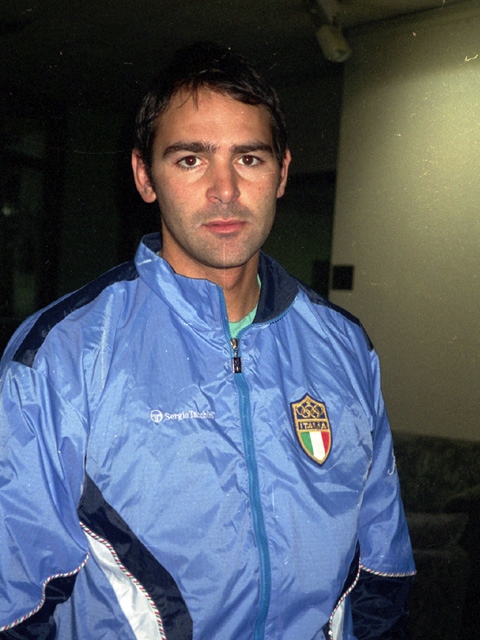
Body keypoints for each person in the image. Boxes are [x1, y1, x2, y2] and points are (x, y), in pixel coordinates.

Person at [0, 42, 415, 640]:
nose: (225, 189)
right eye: (191, 159)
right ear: (145, 177)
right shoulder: (61, 356)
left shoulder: (346, 348)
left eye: (249, 158)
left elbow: (381, 579)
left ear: (282, 173)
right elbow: (16, 609)